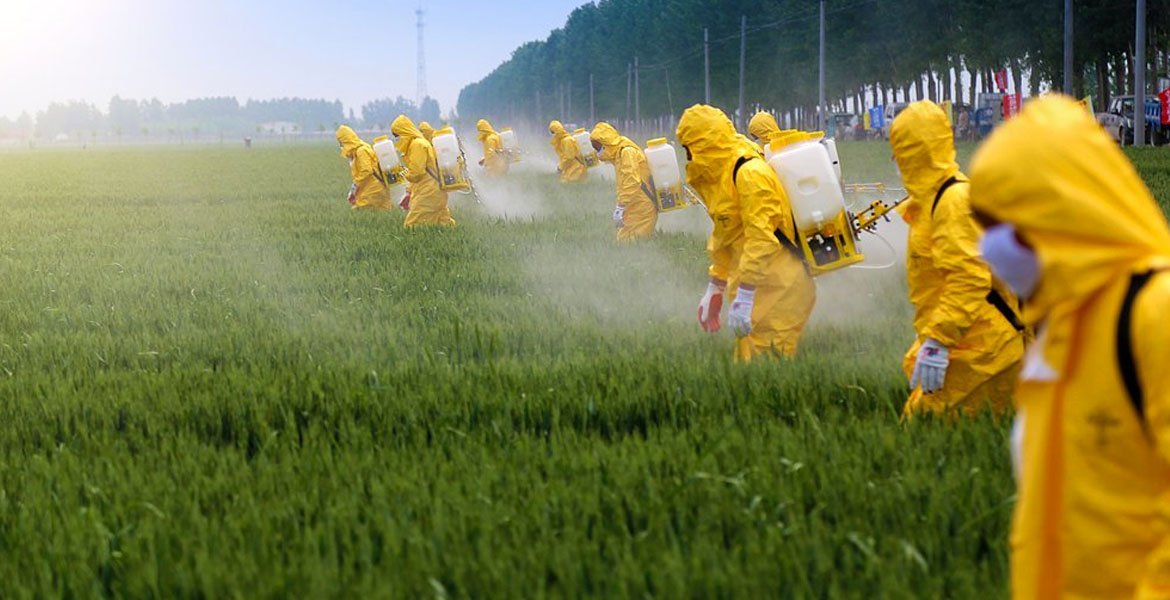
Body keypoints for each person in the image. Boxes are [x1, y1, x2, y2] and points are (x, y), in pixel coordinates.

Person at [969, 95, 1170, 600]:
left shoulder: (1154, 312)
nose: (988, 247)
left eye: (1002, 226)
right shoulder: (1061, 330)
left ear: (1060, 213)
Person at [888, 100, 1026, 417]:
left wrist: (938, 339)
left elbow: (969, 279)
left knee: (923, 433)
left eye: (899, 150)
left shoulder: (952, 202)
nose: (895, 160)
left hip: (982, 351)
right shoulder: (932, 201)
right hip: (967, 342)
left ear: (915, 152)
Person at [677, 104, 816, 361]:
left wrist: (745, 293)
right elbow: (727, 234)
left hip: (780, 290)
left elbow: (762, 238)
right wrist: (716, 285)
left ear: (705, 144)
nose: (687, 157)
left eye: (688, 148)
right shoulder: (725, 175)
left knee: (766, 376)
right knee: (750, 368)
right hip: (760, 287)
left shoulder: (749, 173)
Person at [589, 122, 657, 241]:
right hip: (634, 205)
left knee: (634, 243)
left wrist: (621, 205)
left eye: (597, 147)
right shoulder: (619, 154)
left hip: (642, 206)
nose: (597, 151)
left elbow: (632, 181)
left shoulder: (627, 152)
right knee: (624, 241)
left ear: (606, 142)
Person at [392, 114, 455, 228]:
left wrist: (405, 175)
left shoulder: (417, 145)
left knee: (413, 225)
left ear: (404, 132)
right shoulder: (417, 144)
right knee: (442, 223)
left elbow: (417, 172)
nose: (397, 139)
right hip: (433, 190)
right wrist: (409, 192)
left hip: (428, 191)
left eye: (397, 135)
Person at [336, 125, 393, 211]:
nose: (341, 146)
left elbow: (366, 171)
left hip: (373, 190)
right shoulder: (358, 151)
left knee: (361, 212)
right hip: (370, 189)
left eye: (341, 143)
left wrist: (355, 186)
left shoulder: (361, 151)